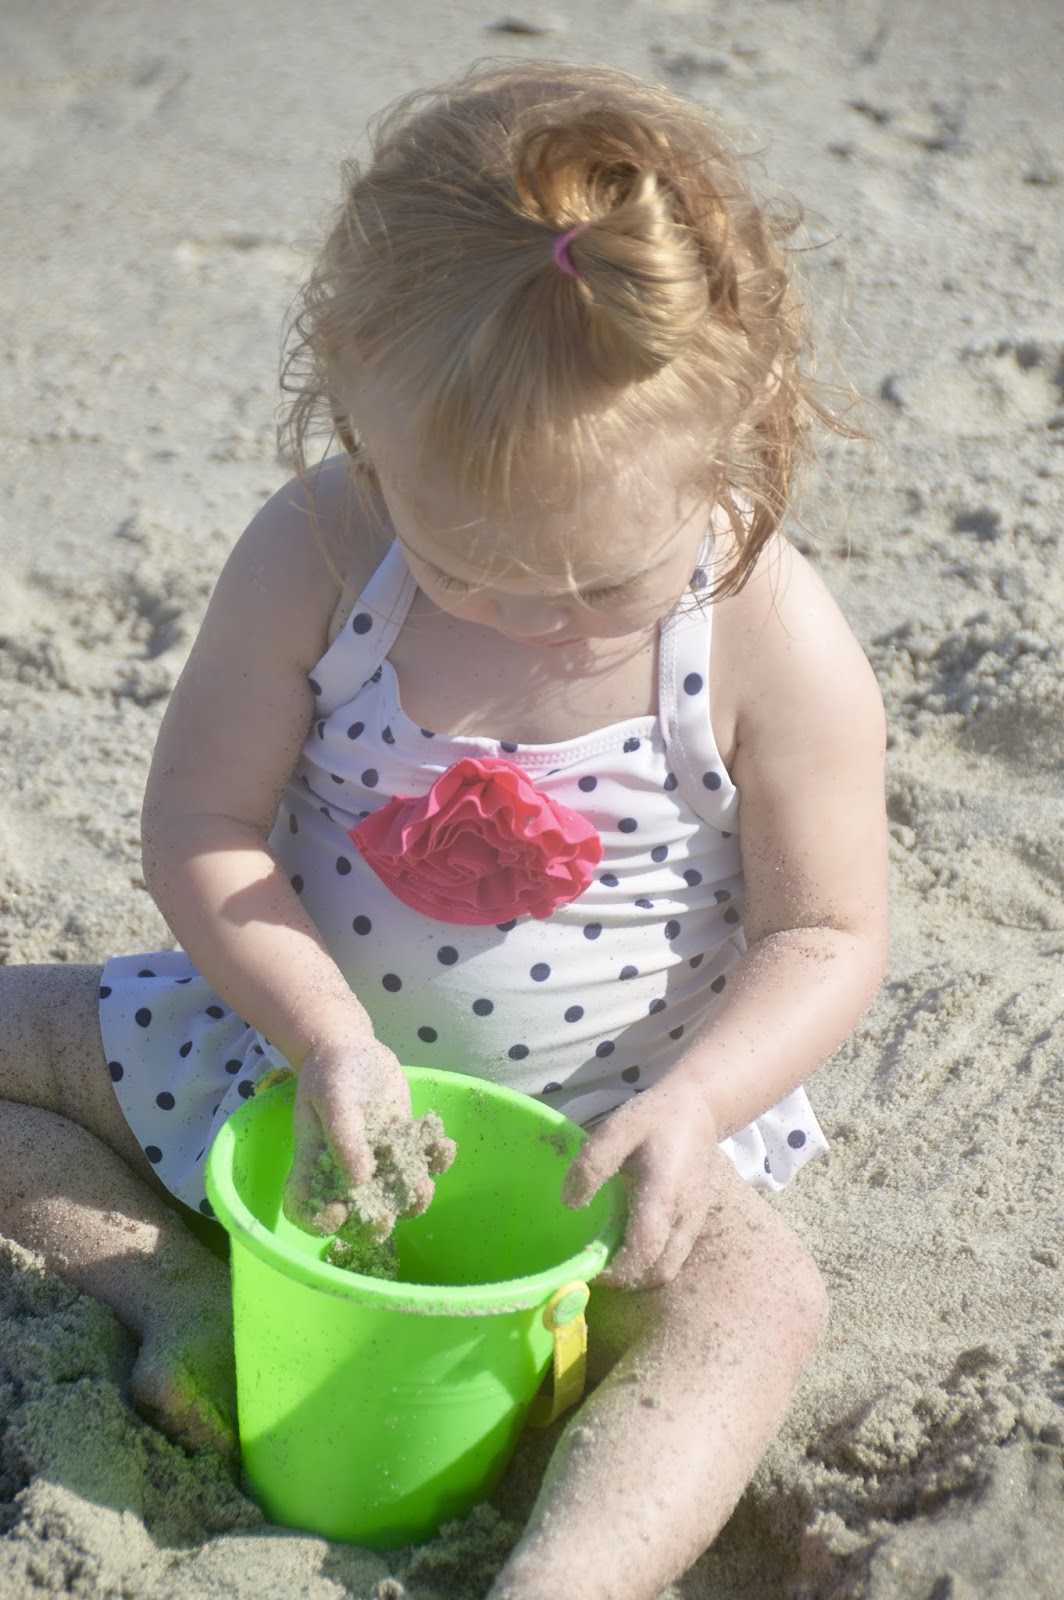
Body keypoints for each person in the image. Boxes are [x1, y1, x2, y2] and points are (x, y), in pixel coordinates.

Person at [0, 59, 889, 1600]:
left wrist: (694, 1107)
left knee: (760, 1310)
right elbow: (204, 821)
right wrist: (324, 1035)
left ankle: (567, 1577)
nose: (531, 616)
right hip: (289, 1068)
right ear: (359, 422)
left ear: (739, 426)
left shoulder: (761, 628)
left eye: (597, 586)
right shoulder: (318, 551)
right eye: (467, 567)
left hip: (607, 1148)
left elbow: (826, 930)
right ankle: (174, 1295)